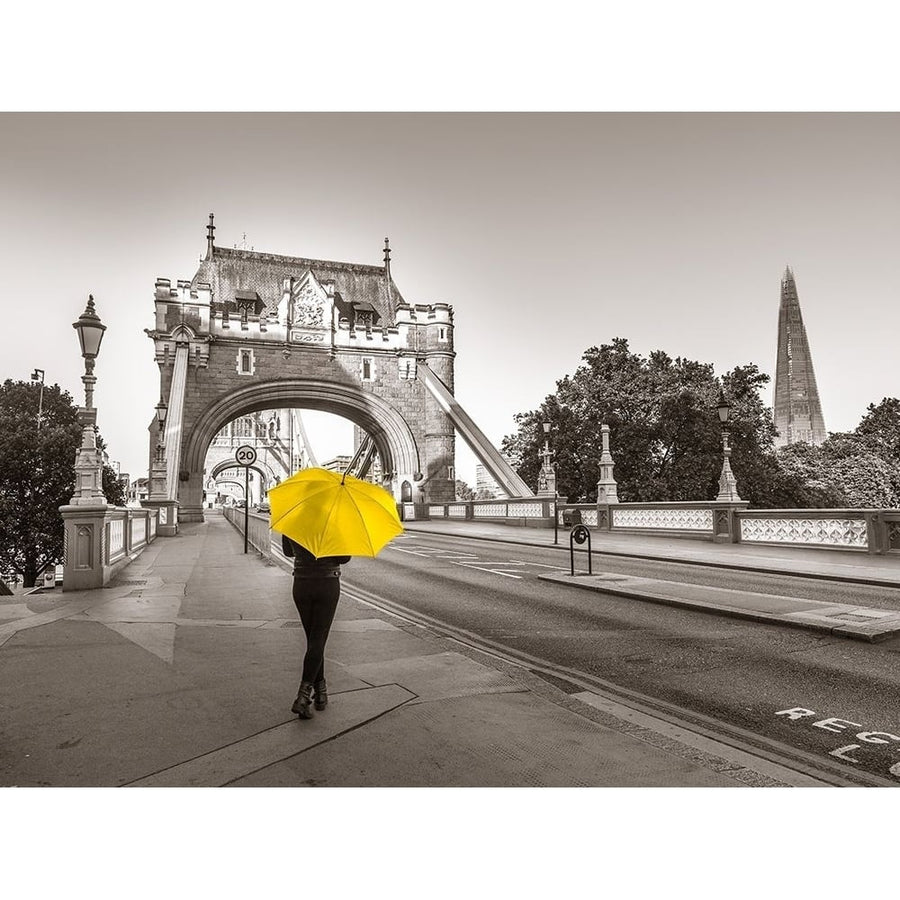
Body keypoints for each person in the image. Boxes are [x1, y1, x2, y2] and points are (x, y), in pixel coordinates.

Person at [282, 534, 351, 719]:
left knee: (313, 640)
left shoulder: (294, 517)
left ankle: (321, 693)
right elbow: (344, 558)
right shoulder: (334, 522)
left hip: (301, 583)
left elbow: (287, 552)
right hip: (326, 584)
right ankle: (302, 698)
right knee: (318, 640)